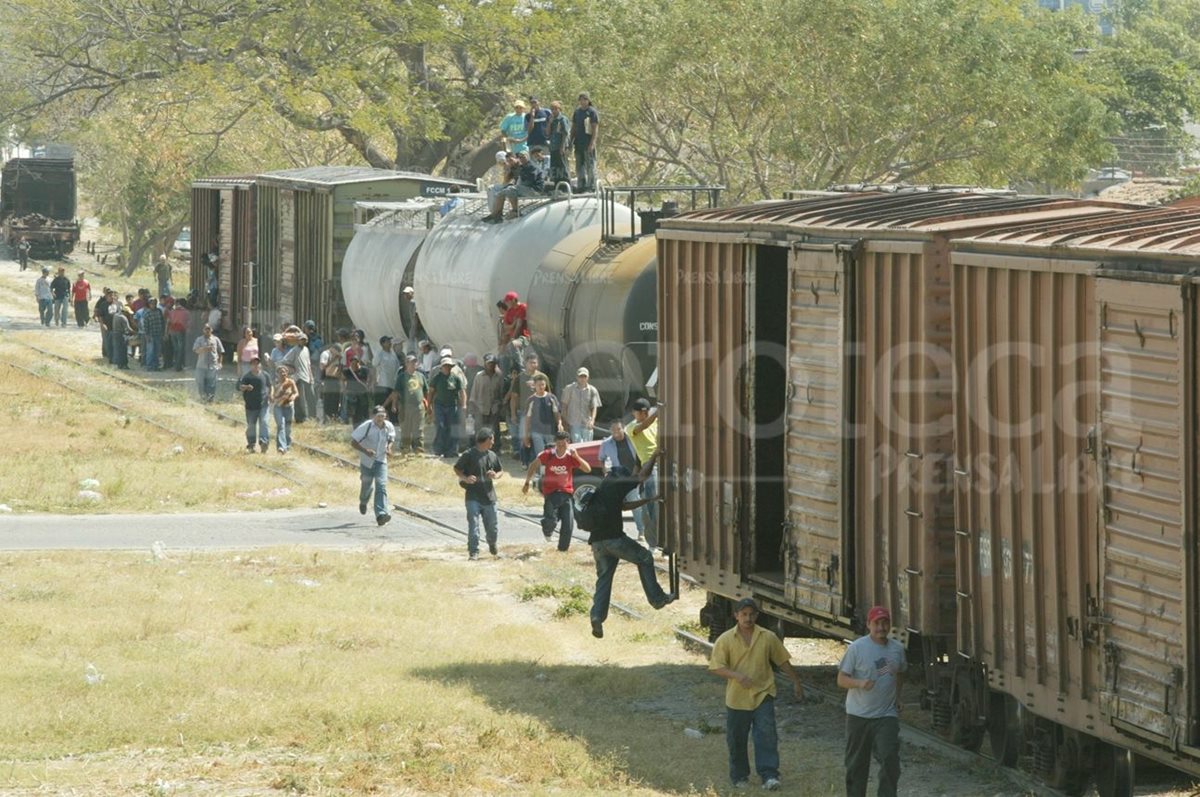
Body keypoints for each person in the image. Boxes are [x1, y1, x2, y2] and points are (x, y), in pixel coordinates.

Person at [709, 597, 804, 791]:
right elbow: (715, 667)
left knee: (767, 735)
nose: (748, 618)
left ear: (757, 616)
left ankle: (769, 775)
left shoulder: (767, 637)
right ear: (736, 615)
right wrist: (736, 675)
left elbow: (782, 660)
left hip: (763, 694)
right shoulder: (726, 639)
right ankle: (739, 776)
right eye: (744, 614)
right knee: (737, 739)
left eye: (752, 614)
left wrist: (796, 681)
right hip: (737, 698)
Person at [586, 451, 674, 639]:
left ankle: (597, 616)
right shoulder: (619, 483)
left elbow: (624, 507)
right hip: (614, 539)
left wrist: (649, 500)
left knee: (604, 580)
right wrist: (654, 457)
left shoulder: (603, 486)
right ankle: (657, 599)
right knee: (644, 557)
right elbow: (643, 476)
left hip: (597, 544)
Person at [838, 606, 906, 797]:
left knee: (889, 757)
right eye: (877, 623)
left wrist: (898, 697)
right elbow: (841, 679)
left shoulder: (897, 649)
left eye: (885, 623)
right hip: (858, 716)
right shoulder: (857, 648)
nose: (881, 627)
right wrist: (859, 683)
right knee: (856, 765)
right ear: (868, 625)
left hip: (886, 715)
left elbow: (899, 673)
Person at [523, 430, 590, 551]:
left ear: (568, 443)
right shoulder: (548, 454)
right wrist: (527, 482)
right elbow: (533, 465)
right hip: (551, 493)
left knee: (568, 524)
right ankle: (547, 531)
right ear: (555, 443)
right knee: (551, 520)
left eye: (563, 444)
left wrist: (577, 456)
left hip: (566, 493)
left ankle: (563, 549)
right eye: (558, 444)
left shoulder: (571, 456)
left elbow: (587, 469)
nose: (561, 447)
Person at [453, 427, 505, 560]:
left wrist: (496, 475)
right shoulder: (469, 454)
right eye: (492, 439)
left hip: (489, 497)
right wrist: (466, 478)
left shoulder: (492, 455)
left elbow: (500, 471)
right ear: (487, 439)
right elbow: (457, 469)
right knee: (473, 525)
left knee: (492, 527)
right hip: (473, 497)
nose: (493, 442)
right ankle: (473, 552)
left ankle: (492, 543)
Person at [351, 405, 395, 526]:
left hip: (381, 460)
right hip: (367, 462)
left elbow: (391, 438)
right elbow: (353, 442)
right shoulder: (367, 426)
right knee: (367, 487)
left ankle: (381, 514)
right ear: (373, 417)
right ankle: (363, 501)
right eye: (378, 416)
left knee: (381, 485)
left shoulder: (388, 426)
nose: (381, 419)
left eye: (383, 416)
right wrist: (365, 451)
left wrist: (388, 448)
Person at [628, 398, 660, 547]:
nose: (644, 415)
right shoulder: (631, 427)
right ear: (634, 413)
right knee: (653, 504)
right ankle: (653, 543)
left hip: (662, 463)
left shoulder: (653, 420)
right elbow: (644, 425)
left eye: (646, 412)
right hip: (649, 466)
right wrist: (658, 412)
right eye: (641, 412)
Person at [481, 150, 544, 222]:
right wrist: (507, 171)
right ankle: (496, 214)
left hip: (534, 190)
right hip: (524, 188)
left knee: (509, 190)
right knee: (501, 192)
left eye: (523, 157)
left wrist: (515, 185)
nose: (522, 159)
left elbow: (529, 182)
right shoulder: (517, 167)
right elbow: (506, 181)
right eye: (520, 157)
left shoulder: (531, 166)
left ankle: (513, 211)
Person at [388, 353, 428, 454]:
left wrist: (428, 405)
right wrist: (394, 404)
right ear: (406, 364)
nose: (414, 364)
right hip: (405, 407)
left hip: (418, 407)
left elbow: (426, 391)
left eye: (415, 362)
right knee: (406, 428)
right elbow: (395, 392)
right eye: (411, 362)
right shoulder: (401, 377)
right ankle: (405, 449)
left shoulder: (421, 376)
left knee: (418, 429)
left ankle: (419, 450)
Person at [427, 355, 467, 457]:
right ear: (441, 367)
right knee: (440, 426)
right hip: (439, 405)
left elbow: (462, 391)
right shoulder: (437, 378)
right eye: (445, 366)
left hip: (452, 406)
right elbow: (431, 392)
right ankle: (439, 449)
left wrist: (463, 404)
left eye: (449, 366)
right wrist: (429, 406)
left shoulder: (455, 378)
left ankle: (451, 450)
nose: (447, 368)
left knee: (451, 427)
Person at [468, 353, 506, 446]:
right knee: (480, 429)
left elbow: (502, 392)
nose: (490, 365)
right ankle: (479, 447)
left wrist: (500, 405)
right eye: (488, 363)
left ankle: (495, 448)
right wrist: (472, 407)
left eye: (492, 363)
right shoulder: (479, 376)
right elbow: (474, 392)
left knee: (494, 430)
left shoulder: (499, 377)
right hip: (480, 407)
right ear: (485, 363)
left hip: (494, 408)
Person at [237, 356, 272, 453]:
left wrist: (270, 395)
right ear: (250, 366)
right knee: (251, 425)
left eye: (258, 363)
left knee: (264, 423)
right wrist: (247, 387)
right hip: (251, 406)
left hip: (263, 404)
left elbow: (270, 385)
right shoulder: (247, 376)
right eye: (253, 364)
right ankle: (251, 444)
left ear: (260, 365)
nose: (256, 365)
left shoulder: (265, 375)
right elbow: (240, 387)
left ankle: (264, 442)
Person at [523, 374, 562, 457]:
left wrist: (559, 423)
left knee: (552, 452)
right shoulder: (531, 400)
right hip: (536, 431)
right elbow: (527, 419)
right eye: (538, 385)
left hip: (550, 431)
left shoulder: (552, 398)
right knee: (540, 453)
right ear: (534, 386)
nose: (541, 387)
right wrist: (526, 435)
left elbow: (557, 413)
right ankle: (541, 469)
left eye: (543, 385)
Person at [568, 92, 600, 192]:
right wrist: (570, 141)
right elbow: (573, 128)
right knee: (579, 166)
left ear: (588, 100)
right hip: (578, 143)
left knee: (590, 165)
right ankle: (581, 185)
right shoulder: (577, 112)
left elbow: (595, 129)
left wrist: (592, 143)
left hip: (588, 143)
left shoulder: (592, 112)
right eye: (581, 99)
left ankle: (591, 186)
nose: (583, 101)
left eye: (585, 99)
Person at [561, 367, 601, 442]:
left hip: (587, 423)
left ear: (588, 377)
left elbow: (594, 407)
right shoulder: (569, 389)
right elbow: (564, 406)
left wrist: (592, 421)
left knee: (587, 445)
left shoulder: (592, 390)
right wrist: (565, 423)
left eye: (584, 376)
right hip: (573, 423)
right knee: (577, 444)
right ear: (577, 377)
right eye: (580, 376)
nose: (582, 378)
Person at [192, 323, 224, 402]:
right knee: (201, 383)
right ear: (203, 330)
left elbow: (221, 351)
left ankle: (210, 400)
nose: (207, 330)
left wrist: (220, 363)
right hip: (201, 366)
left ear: (211, 330)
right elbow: (195, 350)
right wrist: (204, 349)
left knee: (211, 384)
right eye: (206, 329)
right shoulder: (199, 339)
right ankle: (203, 398)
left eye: (209, 329)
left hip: (213, 365)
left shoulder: (216, 339)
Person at [374, 335, 402, 423]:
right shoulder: (380, 353)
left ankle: (393, 422)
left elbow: (397, 367)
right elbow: (374, 364)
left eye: (390, 341)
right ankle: (379, 420)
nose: (390, 343)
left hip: (392, 384)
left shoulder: (393, 354)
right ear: (382, 344)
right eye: (387, 341)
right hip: (382, 384)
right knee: (382, 405)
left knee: (392, 404)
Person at [271, 364, 298, 454]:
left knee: (288, 427)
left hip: (289, 407)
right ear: (277, 374)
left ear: (287, 373)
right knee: (281, 425)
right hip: (278, 407)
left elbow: (296, 392)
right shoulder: (276, 384)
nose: (283, 373)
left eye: (285, 372)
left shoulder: (290, 382)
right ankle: (281, 447)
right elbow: (273, 396)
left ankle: (287, 445)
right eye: (281, 372)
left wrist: (293, 397)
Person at [342, 355, 372, 427]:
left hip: (363, 393)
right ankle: (355, 426)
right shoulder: (347, 371)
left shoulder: (364, 370)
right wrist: (344, 388)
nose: (354, 365)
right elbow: (342, 379)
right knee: (353, 412)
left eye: (355, 363)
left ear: (359, 363)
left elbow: (370, 377)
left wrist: (369, 386)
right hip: (352, 394)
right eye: (352, 363)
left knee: (364, 410)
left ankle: (365, 426)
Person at [547, 100, 571, 187]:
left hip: (560, 147)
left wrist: (562, 147)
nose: (553, 111)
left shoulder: (562, 119)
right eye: (552, 109)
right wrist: (549, 122)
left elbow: (565, 134)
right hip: (553, 147)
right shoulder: (552, 120)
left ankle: (566, 186)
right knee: (555, 168)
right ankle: (557, 186)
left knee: (563, 167)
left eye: (555, 109)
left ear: (559, 109)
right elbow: (547, 133)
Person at [319, 341, 344, 423]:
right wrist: (334, 359)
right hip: (328, 378)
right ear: (333, 349)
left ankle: (334, 416)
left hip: (336, 379)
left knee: (336, 399)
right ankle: (326, 418)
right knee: (328, 399)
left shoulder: (338, 357)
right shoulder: (325, 354)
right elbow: (323, 367)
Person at [140, 297, 165, 370]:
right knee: (150, 351)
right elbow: (145, 326)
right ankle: (149, 366)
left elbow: (162, 321)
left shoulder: (159, 311)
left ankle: (156, 366)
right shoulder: (147, 313)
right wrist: (147, 335)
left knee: (157, 351)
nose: (153, 305)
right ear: (149, 304)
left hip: (158, 334)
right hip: (150, 335)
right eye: (151, 303)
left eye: (154, 303)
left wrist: (163, 333)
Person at [166, 299, 190, 371]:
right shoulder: (186, 312)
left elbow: (168, 322)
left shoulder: (172, 312)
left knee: (175, 348)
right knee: (181, 349)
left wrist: (166, 332)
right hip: (181, 331)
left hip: (172, 331)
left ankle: (176, 364)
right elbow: (189, 323)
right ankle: (178, 366)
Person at [109, 302, 130, 369]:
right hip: (121, 335)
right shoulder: (123, 318)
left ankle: (119, 364)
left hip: (115, 334)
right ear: (125, 312)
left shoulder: (116, 316)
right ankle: (124, 364)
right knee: (123, 350)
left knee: (117, 349)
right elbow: (128, 328)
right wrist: (135, 332)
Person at [94, 288, 113, 360]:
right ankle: (105, 353)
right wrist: (102, 324)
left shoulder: (115, 303)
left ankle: (111, 353)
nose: (111, 296)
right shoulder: (102, 303)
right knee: (105, 338)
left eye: (112, 295)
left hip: (112, 324)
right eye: (109, 295)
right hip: (104, 323)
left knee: (111, 339)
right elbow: (99, 313)